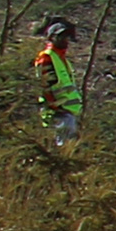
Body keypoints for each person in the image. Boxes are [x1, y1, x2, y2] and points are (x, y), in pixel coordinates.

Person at [36, 14, 86, 150]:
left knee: (70, 149)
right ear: (51, 38)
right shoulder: (46, 57)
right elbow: (43, 84)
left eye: (66, 36)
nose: (65, 40)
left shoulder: (62, 59)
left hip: (69, 112)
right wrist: (54, 107)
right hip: (58, 112)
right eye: (61, 36)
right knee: (63, 150)